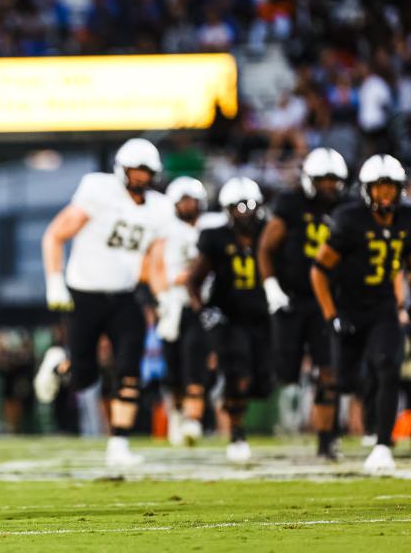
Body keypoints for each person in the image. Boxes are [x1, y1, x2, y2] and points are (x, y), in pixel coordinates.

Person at [41, 138, 173, 467]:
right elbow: (55, 235)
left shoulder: (160, 208)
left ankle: (119, 444)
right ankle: (59, 364)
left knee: (130, 369)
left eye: (146, 171)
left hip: (124, 296)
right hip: (84, 293)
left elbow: (154, 262)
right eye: (135, 170)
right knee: (84, 378)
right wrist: (55, 281)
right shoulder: (98, 192)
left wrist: (165, 298)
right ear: (121, 170)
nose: (140, 177)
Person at [311, 154, 411, 473]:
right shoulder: (350, 219)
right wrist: (331, 315)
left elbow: (406, 265)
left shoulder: (406, 219)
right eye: (379, 188)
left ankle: (382, 444)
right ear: (366, 190)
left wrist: (401, 301)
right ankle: (327, 439)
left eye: (391, 188)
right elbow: (319, 270)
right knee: (344, 380)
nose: (385, 195)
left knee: (388, 366)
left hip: (382, 306)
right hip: (349, 307)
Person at [257, 147, 349, 459]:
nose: (328, 186)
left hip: (327, 300)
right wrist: (271, 286)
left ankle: (326, 440)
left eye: (333, 180)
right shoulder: (290, 204)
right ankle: (281, 424)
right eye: (322, 179)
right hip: (292, 299)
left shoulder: (347, 208)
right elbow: (266, 247)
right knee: (283, 371)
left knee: (329, 371)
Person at [187, 178, 271, 463]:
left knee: (263, 380)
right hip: (231, 317)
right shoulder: (216, 238)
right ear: (227, 210)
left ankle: (221, 387)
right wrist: (202, 310)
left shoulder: (270, 233)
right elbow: (193, 280)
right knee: (240, 375)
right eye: (238, 207)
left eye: (249, 206)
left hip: (264, 316)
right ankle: (237, 433)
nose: (245, 213)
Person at [147, 176, 208, 446]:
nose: (187, 205)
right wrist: (161, 296)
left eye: (191, 200)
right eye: (182, 200)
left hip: (200, 305)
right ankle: (178, 413)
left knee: (196, 364)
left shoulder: (211, 227)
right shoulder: (166, 231)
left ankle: (193, 421)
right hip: (173, 306)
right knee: (173, 371)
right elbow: (155, 265)